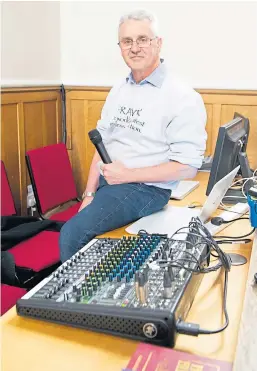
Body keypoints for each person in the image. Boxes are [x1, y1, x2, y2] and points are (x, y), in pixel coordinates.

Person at [59, 9, 207, 262]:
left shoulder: (183, 97)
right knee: (89, 239)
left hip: (145, 189)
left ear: (158, 43)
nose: (135, 47)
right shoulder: (119, 89)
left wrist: (129, 175)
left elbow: (187, 168)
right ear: (120, 47)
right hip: (111, 185)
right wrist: (89, 194)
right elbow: (101, 144)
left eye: (143, 39)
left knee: (72, 234)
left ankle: (77, 301)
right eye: (127, 41)